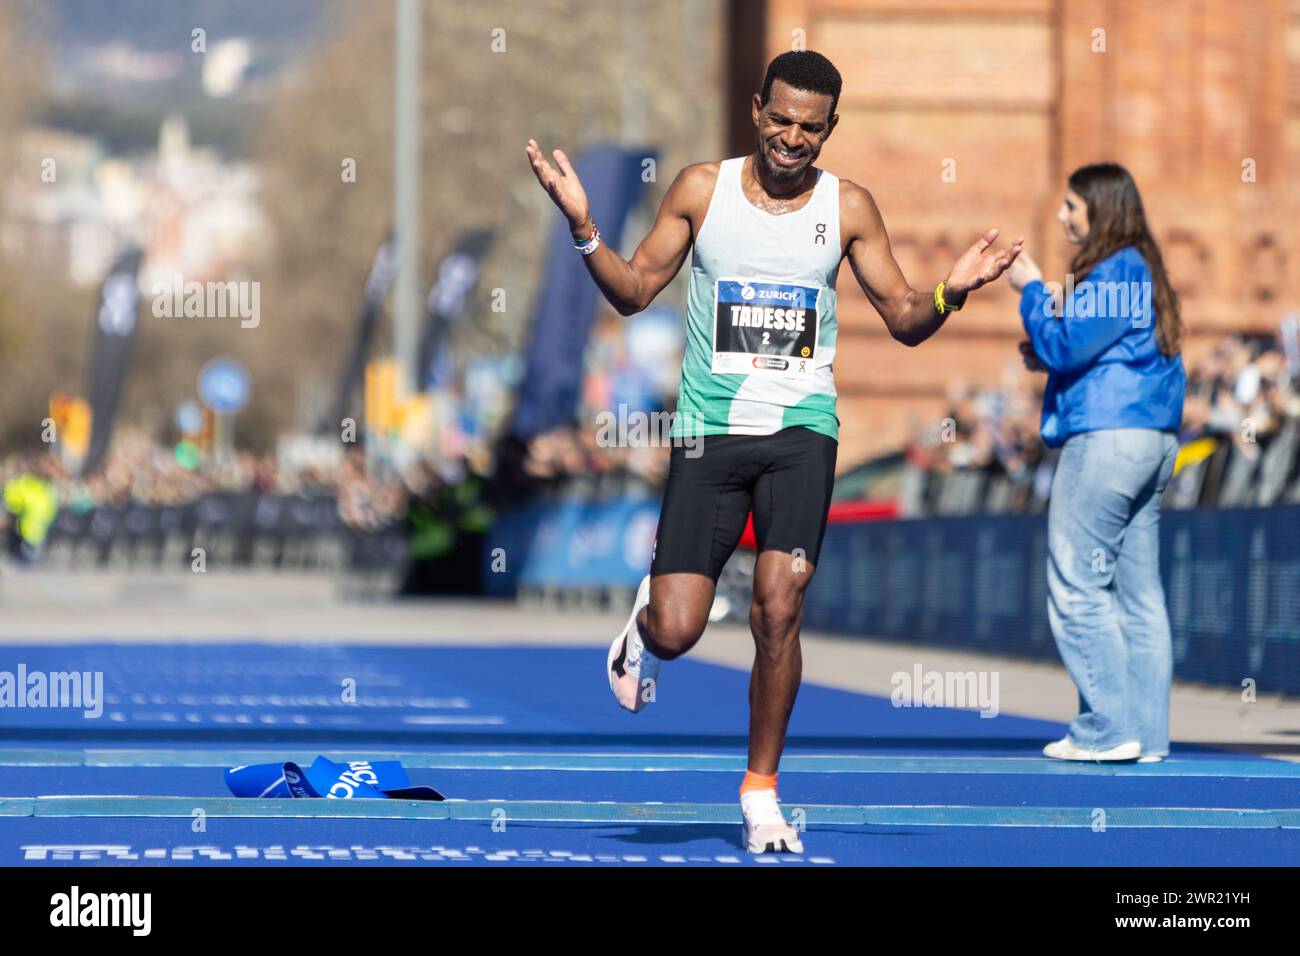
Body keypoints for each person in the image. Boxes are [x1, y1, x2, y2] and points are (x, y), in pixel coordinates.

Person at [526, 50, 1022, 852]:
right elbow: (633, 291)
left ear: (831, 129)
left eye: (811, 127)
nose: (793, 138)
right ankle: (644, 633)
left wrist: (950, 291)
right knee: (681, 627)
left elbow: (903, 317)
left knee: (780, 602)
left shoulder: (849, 207)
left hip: (802, 433)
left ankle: (761, 791)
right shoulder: (700, 189)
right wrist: (585, 227)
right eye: (781, 119)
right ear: (757, 108)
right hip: (709, 432)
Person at [1007, 162, 1186, 763]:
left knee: (1078, 583)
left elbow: (1064, 343)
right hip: (1151, 440)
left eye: (1071, 206)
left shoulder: (1118, 267)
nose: (1061, 217)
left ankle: (1107, 727)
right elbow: (1097, 351)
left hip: (1108, 441)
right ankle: (1147, 734)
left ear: (1101, 210)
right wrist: (1051, 355)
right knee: (1140, 595)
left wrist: (1030, 288)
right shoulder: (1145, 270)